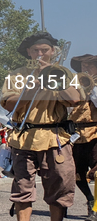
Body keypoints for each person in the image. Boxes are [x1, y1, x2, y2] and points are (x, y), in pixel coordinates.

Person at [0, 32, 84, 221]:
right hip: (24, 138)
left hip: (55, 138)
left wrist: (55, 78)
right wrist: (33, 86)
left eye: (44, 50)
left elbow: (75, 99)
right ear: (29, 52)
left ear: (53, 52)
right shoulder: (17, 75)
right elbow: (8, 103)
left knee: (60, 188)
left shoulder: (65, 73)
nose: (40, 54)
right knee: (22, 189)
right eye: (36, 50)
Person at [68, 54, 97, 219]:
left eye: (90, 66)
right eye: (83, 66)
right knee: (77, 174)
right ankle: (90, 200)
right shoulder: (73, 84)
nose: (86, 69)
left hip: (95, 133)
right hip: (76, 135)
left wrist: (91, 86)